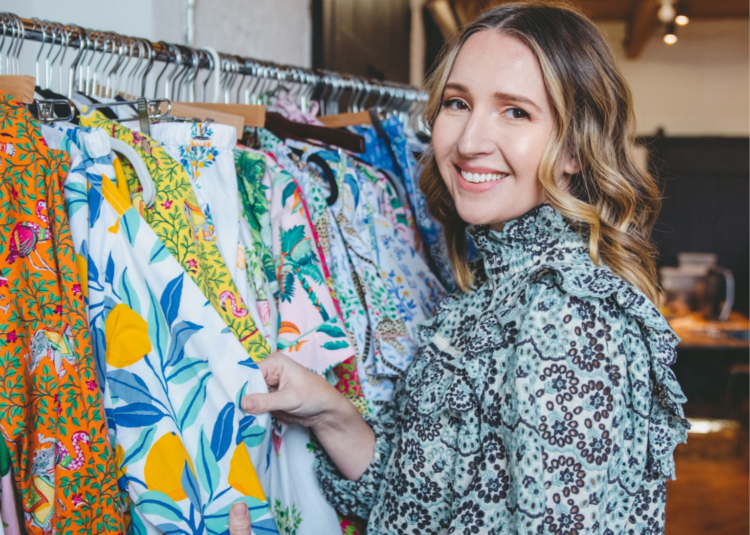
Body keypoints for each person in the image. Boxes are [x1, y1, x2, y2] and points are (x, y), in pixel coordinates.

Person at [229, 2, 689, 533]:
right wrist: (333, 413)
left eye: (515, 111)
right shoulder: (496, 285)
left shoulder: (565, 315)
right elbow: (417, 502)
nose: (469, 143)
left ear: (575, 150)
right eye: (457, 103)